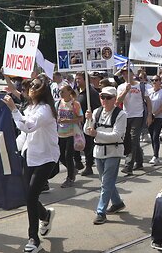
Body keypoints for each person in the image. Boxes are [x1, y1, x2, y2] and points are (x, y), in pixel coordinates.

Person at [2, 74, 60, 253]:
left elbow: (27, 126)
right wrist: (6, 76)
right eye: (30, 86)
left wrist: (13, 109)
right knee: (28, 195)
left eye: (35, 86)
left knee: (31, 196)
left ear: (42, 91)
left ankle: (33, 239)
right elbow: (18, 96)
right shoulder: (30, 106)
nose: (31, 89)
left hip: (46, 157)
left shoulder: (45, 110)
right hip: (30, 156)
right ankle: (45, 214)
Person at [84, 87, 127, 225]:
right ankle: (117, 203)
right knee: (106, 181)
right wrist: (88, 120)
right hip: (98, 152)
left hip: (113, 152)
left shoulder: (121, 115)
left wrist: (97, 134)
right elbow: (87, 131)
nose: (105, 100)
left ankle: (100, 212)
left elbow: (116, 135)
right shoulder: (96, 112)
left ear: (115, 99)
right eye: (103, 97)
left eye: (108, 98)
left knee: (106, 183)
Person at [116, 66, 153, 175]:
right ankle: (140, 161)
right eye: (123, 74)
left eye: (127, 73)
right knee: (131, 140)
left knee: (133, 139)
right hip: (126, 116)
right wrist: (126, 90)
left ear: (132, 74)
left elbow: (148, 101)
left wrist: (150, 115)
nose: (125, 75)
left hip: (138, 116)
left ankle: (128, 166)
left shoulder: (141, 86)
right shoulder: (121, 87)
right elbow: (118, 101)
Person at [57, 85, 83, 188]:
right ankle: (72, 170)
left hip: (72, 133)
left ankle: (70, 178)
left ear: (69, 92)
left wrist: (69, 121)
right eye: (60, 91)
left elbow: (81, 118)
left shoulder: (75, 104)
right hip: (60, 133)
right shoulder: (59, 102)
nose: (61, 93)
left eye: (63, 91)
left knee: (68, 155)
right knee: (60, 156)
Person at [74, 72, 100, 176]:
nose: (77, 81)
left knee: (88, 146)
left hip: (89, 123)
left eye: (79, 79)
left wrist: (92, 120)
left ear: (86, 80)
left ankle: (89, 166)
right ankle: (78, 162)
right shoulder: (78, 92)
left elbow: (97, 108)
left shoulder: (91, 93)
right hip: (79, 123)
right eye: (76, 79)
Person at [148, 75, 162, 165]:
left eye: (156, 80)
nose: (154, 82)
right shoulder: (149, 92)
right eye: (152, 80)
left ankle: (155, 156)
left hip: (158, 117)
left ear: (160, 82)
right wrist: (149, 115)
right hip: (149, 117)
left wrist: (154, 114)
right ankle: (155, 154)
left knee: (155, 136)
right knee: (152, 136)